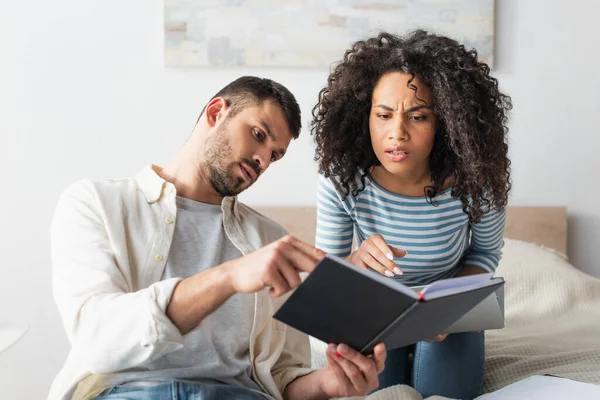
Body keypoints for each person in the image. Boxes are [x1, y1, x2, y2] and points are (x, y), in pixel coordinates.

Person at [48, 76, 386, 400]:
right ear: (215, 113)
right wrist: (229, 276)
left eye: (275, 154)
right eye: (257, 134)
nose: (262, 160)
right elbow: (98, 337)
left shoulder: (270, 240)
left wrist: (329, 383)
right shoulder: (97, 203)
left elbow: (282, 377)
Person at [312, 30, 512, 399]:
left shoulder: (478, 180)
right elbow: (328, 273)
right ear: (364, 117)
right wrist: (356, 262)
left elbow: (484, 254)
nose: (397, 133)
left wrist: (447, 299)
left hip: (448, 311)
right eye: (383, 115)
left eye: (418, 117)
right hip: (374, 308)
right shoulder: (342, 179)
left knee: (446, 391)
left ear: (447, 124)